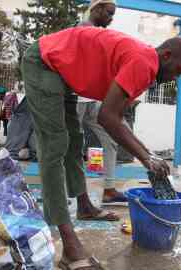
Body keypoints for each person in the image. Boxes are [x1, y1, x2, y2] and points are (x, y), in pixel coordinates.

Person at [21, 26, 181, 269]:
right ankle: (70, 247)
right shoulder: (145, 63)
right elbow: (107, 118)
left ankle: (84, 206)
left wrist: (148, 154)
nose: (176, 78)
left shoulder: (145, 65)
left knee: (74, 141)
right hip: (44, 62)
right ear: (166, 56)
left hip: (63, 73)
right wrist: (146, 159)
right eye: (178, 70)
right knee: (54, 145)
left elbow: (117, 117)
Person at [77, 0, 129, 207]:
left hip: (92, 100)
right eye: (109, 13)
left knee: (111, 138)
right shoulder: (82, 30)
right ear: (96, 9)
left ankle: (109, 189)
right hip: (76, 98)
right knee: (71, 146)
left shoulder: (98, 33)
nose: (111, 18)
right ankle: (68, 195)